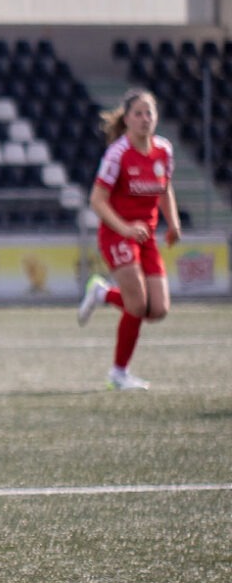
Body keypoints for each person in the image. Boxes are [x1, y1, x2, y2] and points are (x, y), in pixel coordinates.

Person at [75, 88, 180, 391]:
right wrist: (123, 228)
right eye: (139, 113)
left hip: (145, 236)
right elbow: (97, 200)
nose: (145, 119)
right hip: (117, 233)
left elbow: (165, 189)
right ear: (127, 119)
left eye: (150, 113)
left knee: (157, 309)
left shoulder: (164, 150)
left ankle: (102, 294)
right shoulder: (118, 154)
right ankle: (118, 374)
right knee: (137, 304)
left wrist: (173, 223)